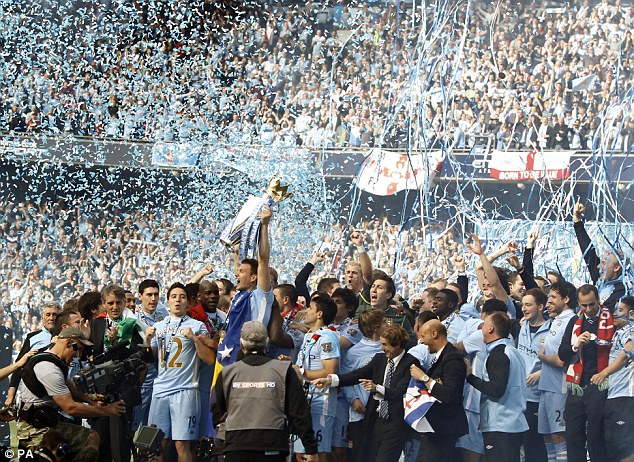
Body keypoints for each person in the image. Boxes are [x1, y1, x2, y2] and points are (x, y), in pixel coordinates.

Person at [313, 325, 419, 462]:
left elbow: (400, 392)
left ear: (397, 344)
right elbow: (357, 374)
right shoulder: (379, 359)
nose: (382, 348)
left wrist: (377, 388)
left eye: (385, 345)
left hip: (395, 424)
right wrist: (330, 380)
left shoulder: (411, 363)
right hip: (375, 421)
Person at [16, 327, 126, 459]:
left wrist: (91, 399)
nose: (78, 354)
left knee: (91, 437)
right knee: (84, 441)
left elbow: (71, 388)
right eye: (77, 349)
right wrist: (107, 410)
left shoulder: (54, 361)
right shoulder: (49, 368)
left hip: (47, 423)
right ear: (69, 342)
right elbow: (70, 407)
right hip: (35, 430)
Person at [216, 321, 318, 462]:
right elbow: (299, 412)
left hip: (236, 445)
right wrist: (310, 448)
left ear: (241, 344)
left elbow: (218, 410)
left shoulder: (227, 372)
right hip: (272, 445)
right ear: (267, 343)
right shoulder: (284, 370)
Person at [146, 282, 216, 462]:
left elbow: (209, 359)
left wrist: (194, 339)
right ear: (167, 301)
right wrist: (147, 341)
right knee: (154, 444)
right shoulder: (159, 326)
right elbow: (151, 359)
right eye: (174, 297)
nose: (178, 300)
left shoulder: (197, 326)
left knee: (182, 444)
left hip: (185, 391)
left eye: (182, 297)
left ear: (188, 302)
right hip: (160, 391)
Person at [89, 284, 146, 462]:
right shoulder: (96, 324)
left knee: (121, 440)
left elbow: (138, 356)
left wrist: (115, 343)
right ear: (104, 304)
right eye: (110, 303)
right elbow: (93, 353)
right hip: (100, 390)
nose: (115, 307)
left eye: (118, 303)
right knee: (101, 436)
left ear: (124, 303)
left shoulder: (134, 325)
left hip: (123, 390)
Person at [558, 284, 615, 462]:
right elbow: (562, 353)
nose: (588, 309)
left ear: (598, 300)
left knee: (595, 436)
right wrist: (576, 345)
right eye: (584, 305)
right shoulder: (575, 321)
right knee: (573, 435)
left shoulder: (612, 319)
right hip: (577, 384)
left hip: (600, 383)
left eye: (591, 304)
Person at [466, 311, 528, 462]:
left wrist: (470, 377)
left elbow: (496, 389)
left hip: (501, 425)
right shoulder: (513, 351)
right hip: (514, 423)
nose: (481, 328)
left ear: (490, 329)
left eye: (484, 324)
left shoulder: (498, 354)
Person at [409, 319, 468, 462]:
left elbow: (449, 395)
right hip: (435, 427)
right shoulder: (442, 356)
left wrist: (424, 378)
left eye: (423, 336)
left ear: (434, 334)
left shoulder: (453, 359)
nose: (421, 341)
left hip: (445, 427)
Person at [293, 293, 340, 462]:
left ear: (319, 314)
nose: (306, 311)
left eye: (310, 308)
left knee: (318, 454)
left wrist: (301, 373)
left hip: (321, 402)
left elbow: (330, 371)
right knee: (301, 454)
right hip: (305, 402)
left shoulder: (327, 337)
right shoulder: (309, 336)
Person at [589, 296, 634, 462]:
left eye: (620, 310)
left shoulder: (631, 330)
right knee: (615, 449)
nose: (615, 314)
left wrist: (604, 373)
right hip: (614, 396)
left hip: (626, 397)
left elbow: (626, 354)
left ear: (632, 314)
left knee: (626, 451)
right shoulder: (618, 333)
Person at [339, 308, 387, 462]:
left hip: (382, 414)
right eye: (385, 322)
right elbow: (347, 379)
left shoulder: (390, 349)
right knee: (359, 455)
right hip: (361, 412)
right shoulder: (354, 352)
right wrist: (353, 399)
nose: (388, 325)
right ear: (375, 327)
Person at [537, 281, 576, 462]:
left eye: (553, 297)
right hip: (546, 386)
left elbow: (563, 361)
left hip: (560, 387)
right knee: (547, 436)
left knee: (559, 436)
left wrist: (542, 357)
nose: (549, 301)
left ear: (566, 299)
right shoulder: (557, 320)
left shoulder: (571, 321)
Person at [512, 288, 549, 462]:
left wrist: (541, 373)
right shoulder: (522, 325)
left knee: (534, 443)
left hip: (536, 397)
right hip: (518, 395)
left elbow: (562, 361)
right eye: (523, 305)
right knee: (519, 442)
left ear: (540, 306)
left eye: (528, 305)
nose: (524, 308)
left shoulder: (551, 330)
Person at [573, 201, 626, 310]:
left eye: (603, 263)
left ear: (617, 267)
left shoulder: (624, 289)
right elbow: (588, 252)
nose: (598, 267)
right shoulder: (599, 278)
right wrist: (577, 220)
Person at [7, 301, 60, 406]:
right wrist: (10, 395)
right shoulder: (32, 337)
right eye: (48, 314)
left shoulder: (65, 337)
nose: (51, 318)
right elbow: (19, 366)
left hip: (59, 391)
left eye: (55, 314)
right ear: (42, 318)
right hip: (34, 393)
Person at [132, 279, 167, 433]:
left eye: (156, 295)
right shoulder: (133, 319)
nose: (153, 299)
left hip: (161, 377)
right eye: (149, 295)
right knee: (135, 421)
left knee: (153, 424)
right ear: (140, 296)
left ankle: (147, 455)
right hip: (143, 377)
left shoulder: (165, 314)